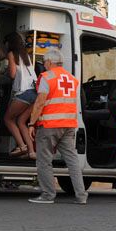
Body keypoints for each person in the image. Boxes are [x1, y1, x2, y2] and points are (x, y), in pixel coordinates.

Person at [27, 49, 87, 204]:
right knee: (72, 161)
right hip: (68, 125)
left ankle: (48, 195)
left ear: (49, 62)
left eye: (44, 62)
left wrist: (32, 123)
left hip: (49, 125)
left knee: (44, 160)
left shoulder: (47, 77)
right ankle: (81, 196)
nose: (44, 65)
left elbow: (40, 102)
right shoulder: (72, 79)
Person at [3, 32, 39, 159]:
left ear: (9, 43)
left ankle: (22, 146)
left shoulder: (12, 54)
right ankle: (31, 152)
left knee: (8, 119)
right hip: (34, 93)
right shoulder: (25, 55)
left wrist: (5, 72)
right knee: (21, 121)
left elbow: (12, 74)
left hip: (24, 93)